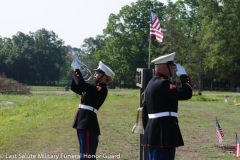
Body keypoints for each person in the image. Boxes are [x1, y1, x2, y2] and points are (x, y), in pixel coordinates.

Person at [141, 52, 192, 160]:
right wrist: (184, 77)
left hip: (153, 133)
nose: (173, 70)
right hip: (164, 133)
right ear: (165, 67)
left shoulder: (150, 84)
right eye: (172, 67)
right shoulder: (163, 84)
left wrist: (148, 131)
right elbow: (187, 93)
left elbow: (145, 112)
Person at [70, 60, 115, 160]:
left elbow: (81, 84)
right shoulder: (94, 88)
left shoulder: (101, 89)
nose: (94, 74)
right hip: (83, 122)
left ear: (103, 77)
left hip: (88, 124)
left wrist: (77, 69)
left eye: (97, 73)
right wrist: (74, 70)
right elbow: (75, 87)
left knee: (87, 157)